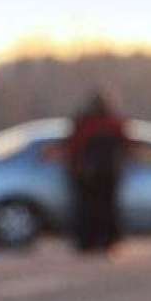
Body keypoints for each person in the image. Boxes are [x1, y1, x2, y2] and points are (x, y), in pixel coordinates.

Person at [64, 90, 129, 253]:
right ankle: (105, 241)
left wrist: (75, 168)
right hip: (108, 173)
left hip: (87, 174)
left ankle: (88, 241)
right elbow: (126, 146)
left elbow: (73, 147)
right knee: (105, 209)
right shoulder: (114, 123)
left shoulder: (84, 123)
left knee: (87, 209)